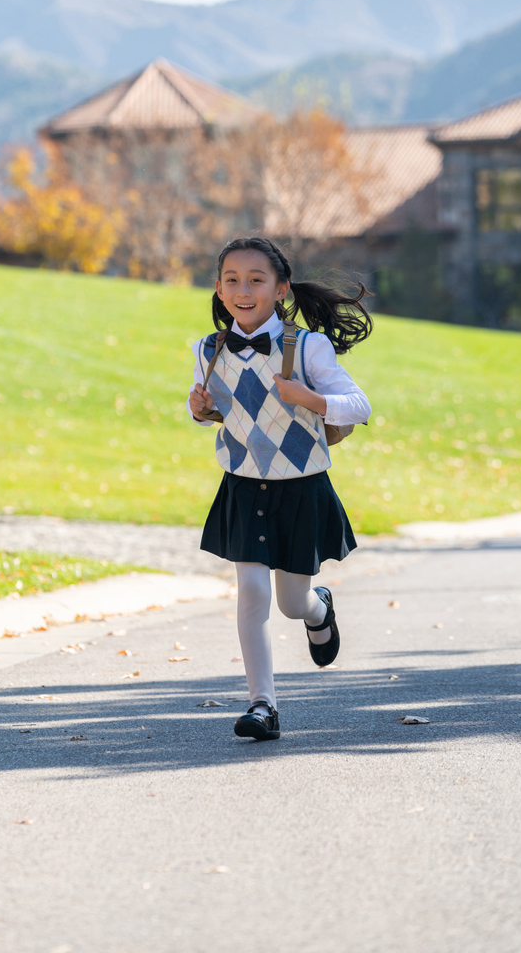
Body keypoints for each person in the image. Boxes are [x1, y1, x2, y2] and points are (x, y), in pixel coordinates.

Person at [188, 237, 372, 741]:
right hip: (244, 486)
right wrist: (197, 406)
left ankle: (319, 608)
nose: (243, 289)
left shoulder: (308, 346)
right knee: (250, 592)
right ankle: (262, 705)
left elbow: (359, 406)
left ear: (280, 288)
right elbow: (214, 412)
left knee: (292, 602)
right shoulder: (208, 348)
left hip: (300, 487)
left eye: (256, 279)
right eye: (232, 280)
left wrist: (306, 396)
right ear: (220, 290)